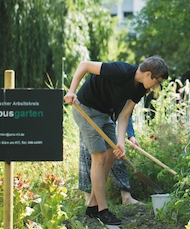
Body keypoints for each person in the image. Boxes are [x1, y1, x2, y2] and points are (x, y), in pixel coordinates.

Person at [63, 56, 169, 225]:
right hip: (86, 109)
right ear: (148, 74)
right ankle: (102, 210)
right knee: (99, 157)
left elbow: (124, 115)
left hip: (105, 113)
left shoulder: (139, 89)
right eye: (157, 82)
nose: (157, 86)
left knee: (112, 154)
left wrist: (120, 142)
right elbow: (84, 65)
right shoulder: (120, 70)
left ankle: (92, 204)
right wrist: (71, 91)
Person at [79, 115, 145, 206]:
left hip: (108, 118)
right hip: (88, 114)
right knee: (87, 154)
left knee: (117, 154)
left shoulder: (126, 101)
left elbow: (126, 114)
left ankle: (126, 196)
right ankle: (89, 199)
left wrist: (131, 135)